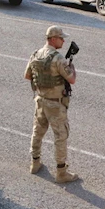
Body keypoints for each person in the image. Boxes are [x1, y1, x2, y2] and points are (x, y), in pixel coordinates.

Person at [24, 26, 78, 184]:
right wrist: (72, 68)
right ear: (53, 39)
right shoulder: (58, 58)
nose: (63, 40)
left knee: (37, 132)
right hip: (55, 104)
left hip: (40, 100)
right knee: (60, 136)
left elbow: (27, 75)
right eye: (61, 38)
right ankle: (61, 172)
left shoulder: (35, 54)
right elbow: (72, 79)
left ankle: (35, 163)